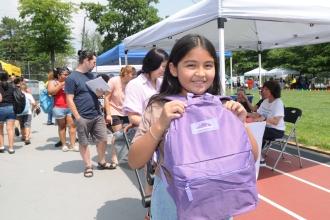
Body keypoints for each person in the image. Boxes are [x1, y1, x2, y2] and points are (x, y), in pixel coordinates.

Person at [127, 34, 258, 220]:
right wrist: (160, 125)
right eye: (191, 65)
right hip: (173, 202)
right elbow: (134, 161)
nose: (201, 73)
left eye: (208, 65)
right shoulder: (159, 107)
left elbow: (251, 156)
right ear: (173, 68)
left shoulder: (223, 105)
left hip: (218, 198)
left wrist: (240, 124)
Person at [65, 50, 111, 178]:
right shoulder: (72, 78)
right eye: (94, 61)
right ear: (86, 60)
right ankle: (88, 165)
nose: (95, 64)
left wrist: (103, 92)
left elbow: (97, 94)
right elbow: (69, 99)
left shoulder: (92, 76)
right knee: (84, 143)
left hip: (97, 114)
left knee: (102, 139)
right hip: (82, 117)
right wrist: (78, 117)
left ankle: (101, 161)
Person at [123, 48, 169, 126]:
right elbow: (133, 117)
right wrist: (158, 125)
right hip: (146, 133)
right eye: (163, 66)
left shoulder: (162, 82)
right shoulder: (135, 85)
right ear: (153, 64)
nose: (165, 70)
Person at [104, 65, 136, 168]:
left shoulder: (132, 84)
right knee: (118, 135)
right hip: (114, 111)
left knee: (128, 135)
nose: (134, 76)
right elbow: (106, 98)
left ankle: (128, 157)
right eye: (132, 74)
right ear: (126, 74)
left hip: (127, 112)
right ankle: (114, 157)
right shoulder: (113, 81)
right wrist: (108, 114)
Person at [248, 80, 285, 166]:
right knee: (251, 129)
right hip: (265, 127)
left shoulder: (278, 103)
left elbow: (275, 122)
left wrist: (263, 119)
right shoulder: (265, 101)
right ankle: (254, 154)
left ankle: (260, 159)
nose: (262, 91)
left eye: (265, 89)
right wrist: (244, 113)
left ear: (272, 91)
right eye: (262, 89)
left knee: (254, 131)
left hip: (276, 131)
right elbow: (257, 114)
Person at [48, 67, 78, 152]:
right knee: (62, 127)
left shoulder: (71, 82)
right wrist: (61, 85)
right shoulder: (52, 82)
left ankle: (73, 145)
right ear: (58, 75)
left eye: (68, 74)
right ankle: (64, 144)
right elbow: (51, 92)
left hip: (70, 107)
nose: (67, 76)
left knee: (72, 126)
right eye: (65, 75)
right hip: (58, 108)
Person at [0, 71, 16, 154]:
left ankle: (2, 147)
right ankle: (11, 148)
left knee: (0, 130)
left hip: (0, 109)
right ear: (7, 77)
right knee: (10, 129)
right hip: (11, 108)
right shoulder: (12, 86)